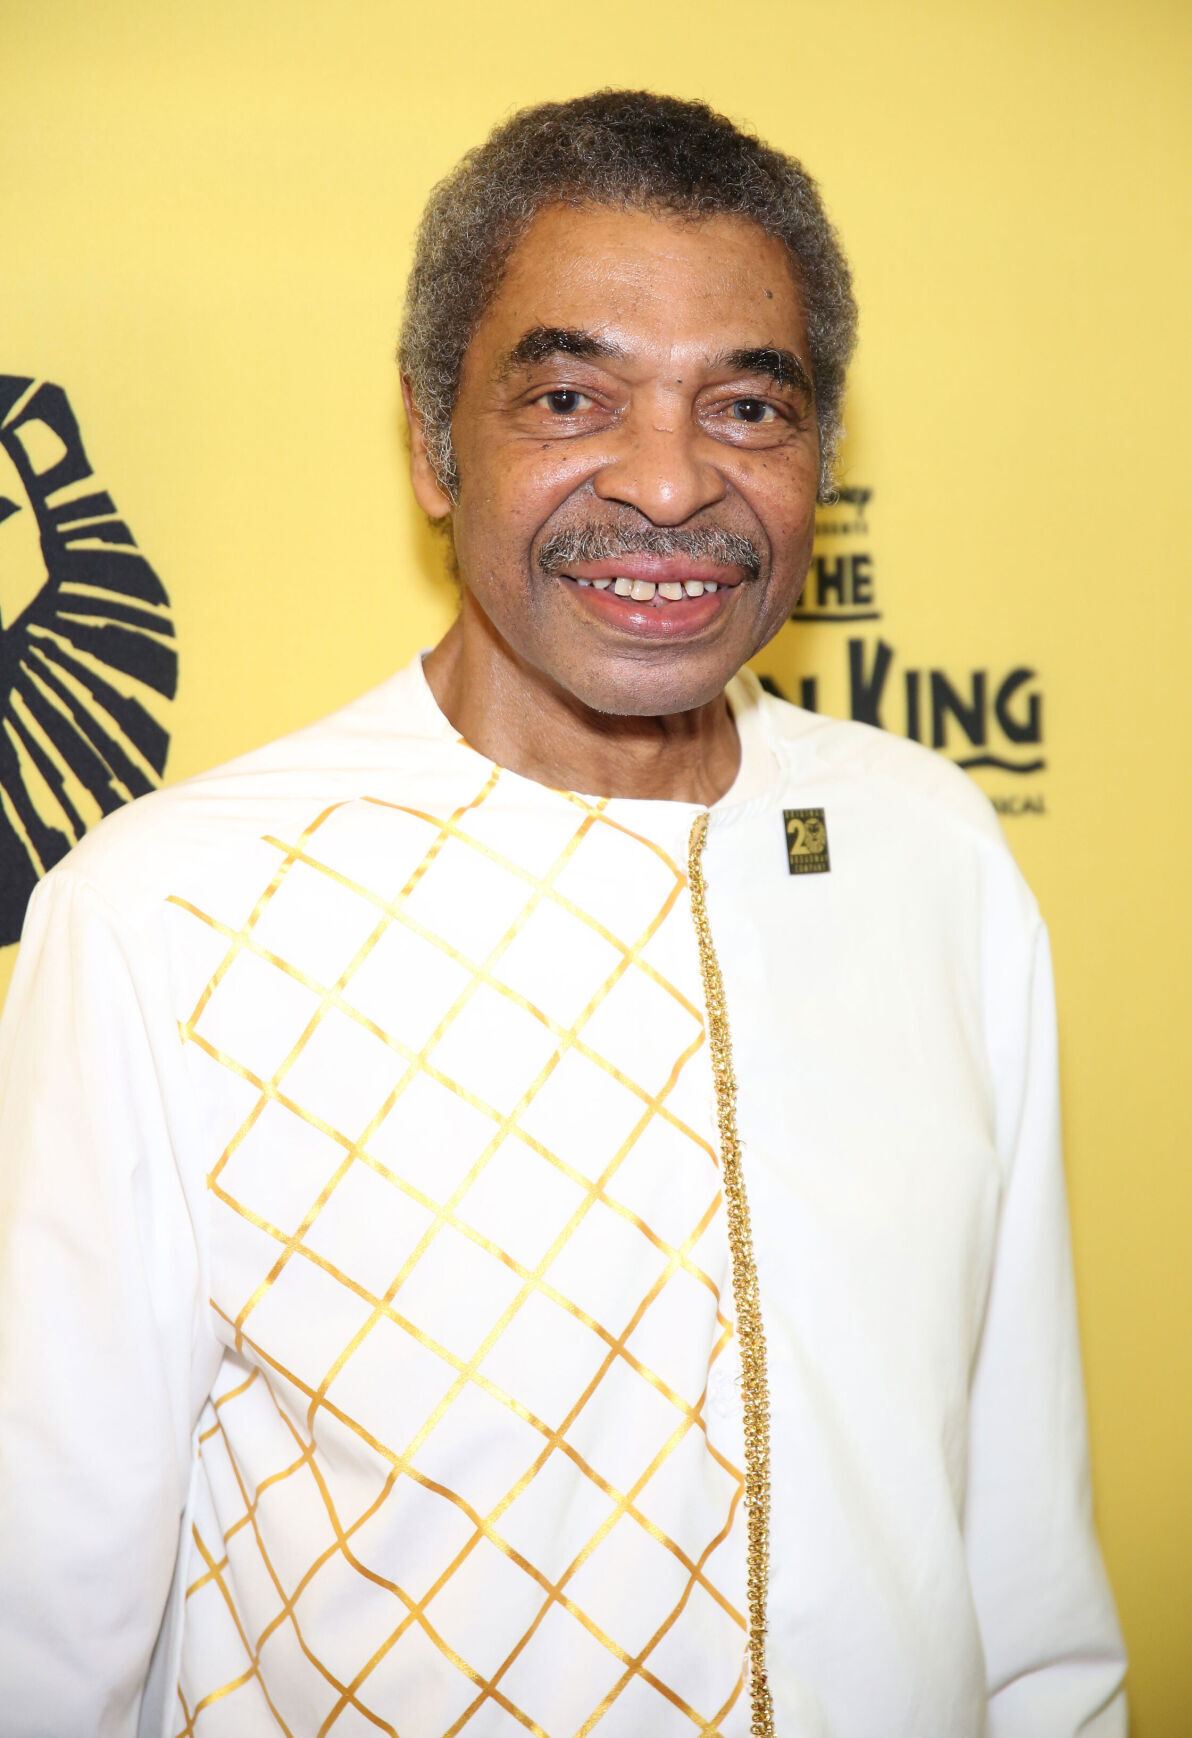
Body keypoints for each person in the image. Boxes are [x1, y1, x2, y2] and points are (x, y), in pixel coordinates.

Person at [0, 91, 1126, 1738]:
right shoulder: (167, 914)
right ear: (432, 443)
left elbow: (1027, 1584)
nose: (669, 487)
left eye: (747, 405)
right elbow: (44, 1623)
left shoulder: (934, 855)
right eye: (571, 394)